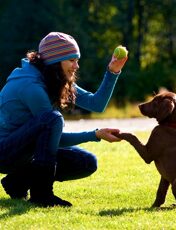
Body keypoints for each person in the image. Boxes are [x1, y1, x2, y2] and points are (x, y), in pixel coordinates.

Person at [0, 32, 128, 207]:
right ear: (55, 61)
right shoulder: (31, 86)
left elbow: (96, 104)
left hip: (25, 152)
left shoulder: (53, 77)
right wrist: (95, 134)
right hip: (5, 154)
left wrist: (113, 71)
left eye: (77, 60)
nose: (76, 66)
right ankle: (41, 195)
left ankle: (17, 182)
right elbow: (54, 136)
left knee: (86, 162)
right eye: (71, 60)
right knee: (52, 119)